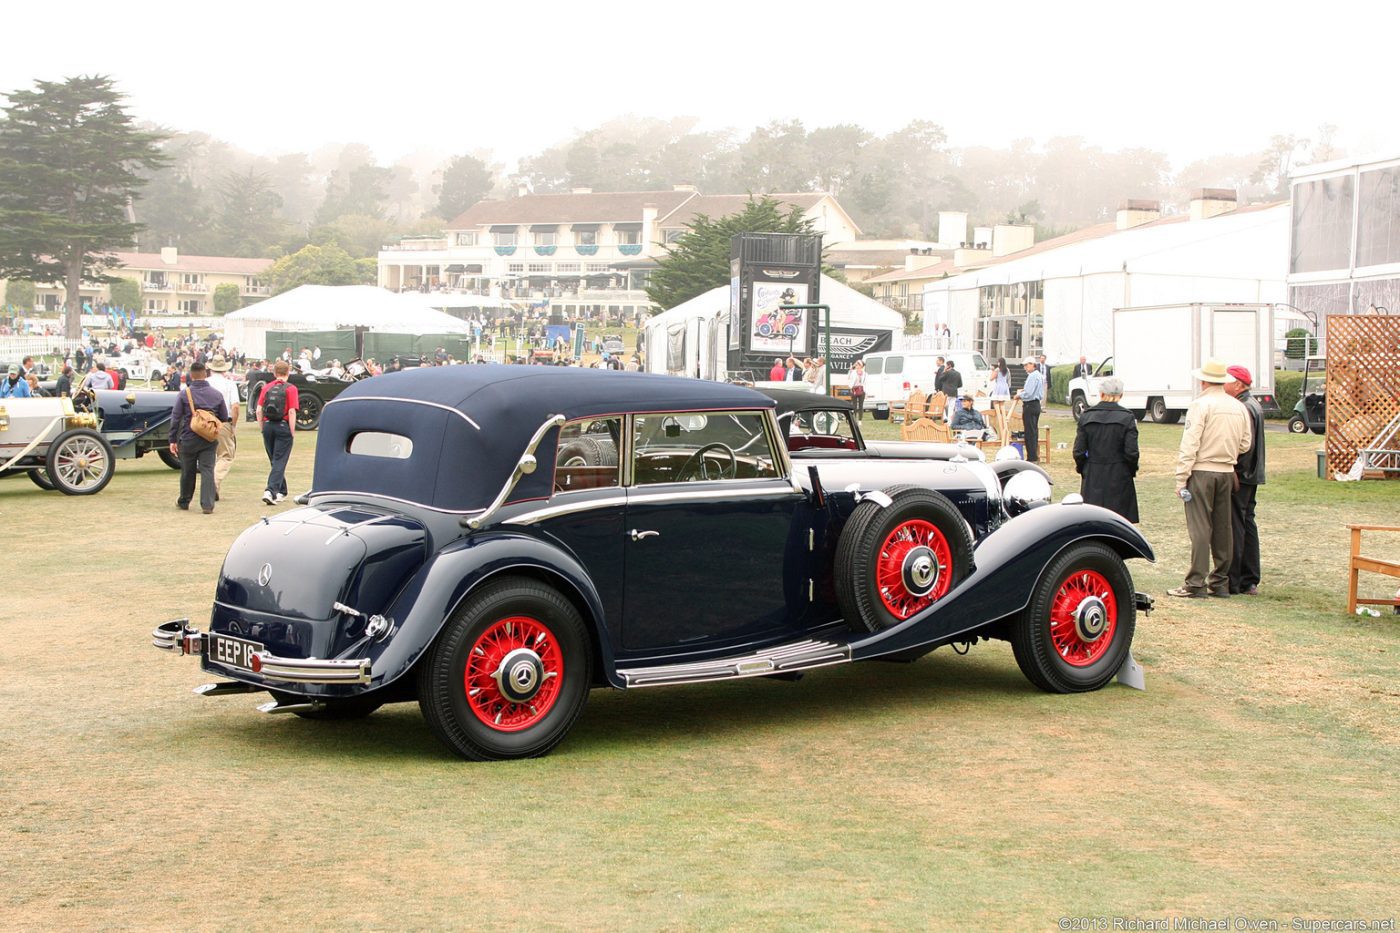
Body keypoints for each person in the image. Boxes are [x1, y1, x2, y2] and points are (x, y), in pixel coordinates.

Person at [1167, 358, 1252, 599]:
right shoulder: (1238, 407)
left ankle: (1196, 582)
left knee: (1200, 527)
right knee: (1223, 527)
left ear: (1204, 381)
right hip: (1226, 470)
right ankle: (1220, 582)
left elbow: (1190, 443)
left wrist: (1181, 478)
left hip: (1202, 470)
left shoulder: (1200, 405)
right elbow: (1245, 444)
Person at [1072, 376, 1139, 522]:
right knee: (1120, 522)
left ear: (1101, 394)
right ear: (1120, 396)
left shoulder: (1087, 416)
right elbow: (1132, 452)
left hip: (1093, 473)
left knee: (1093, 520)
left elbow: (1078, 451)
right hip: (1119, 473)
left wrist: (1083, 469)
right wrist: (1130, 470)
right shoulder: (1127, 418)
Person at [1224, 365, 1265, 596]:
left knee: (1237, 524)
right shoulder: (1253, 404)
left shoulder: (1243, 407)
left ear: (1239, 385)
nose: (1224, 386)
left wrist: (1236, 471)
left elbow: (1245, 445)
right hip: (1252, 473)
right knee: (1247, 522)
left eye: (1228, 382)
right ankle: (1249, 579)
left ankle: (1237, 579)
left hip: (1244, 474)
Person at [168, 361, 228, 514]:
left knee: (187, 470)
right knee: (207, 470)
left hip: (189, 437)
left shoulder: (184, 394)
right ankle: (207, 504)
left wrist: (172, 440)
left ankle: (184, 500)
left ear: (191, 375)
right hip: (209, 438)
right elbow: (223, 417)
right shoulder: (216, 394)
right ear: (205, 374)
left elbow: (175, 418)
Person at [257, 360, 299, 505]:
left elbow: (258, 410)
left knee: (275, 460)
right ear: (288, 372)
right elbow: (292, 411)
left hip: (268, 425)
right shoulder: (291, 388)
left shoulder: (267, 387)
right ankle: (271, 490)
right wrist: (292, 431)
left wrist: (262, 427)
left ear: (274, 373)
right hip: (283, 425)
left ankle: (282, 491)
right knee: (280, 460)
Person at [205, 354, 240, 500]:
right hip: (222, 421)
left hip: (205, 421)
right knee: (225, 455)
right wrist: (233, 425)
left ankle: (210, 487)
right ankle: (214, 483)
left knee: (207, 456)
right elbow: (235, 407)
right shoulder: (229, 384)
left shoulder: (205, 383)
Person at [1014, 356, 1044, 462]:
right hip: (1036, 405)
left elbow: (1029, 393)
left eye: (1027, 365)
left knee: (1030, 432)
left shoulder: (1032, 376)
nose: (1025, 368)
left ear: (1032, 365)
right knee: (1034, 431)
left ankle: (1032, 457)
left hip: (1030, 405)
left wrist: (1019, 395)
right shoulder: (1039, 375)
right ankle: (1033, 455)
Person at [989, 357, 1011, 439]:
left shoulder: (998, 370)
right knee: (1002, 404)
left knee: (995, 402)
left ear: (999, 363)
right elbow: (1009, 380)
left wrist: (992, 371)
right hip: (1005, 387)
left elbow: (991, 378)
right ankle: (1004, 423)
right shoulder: (1007, 370)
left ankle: (999, 418)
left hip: (998, 387)